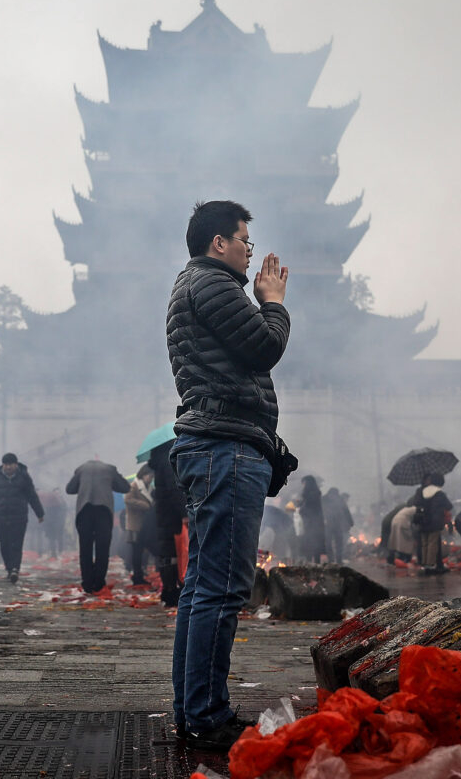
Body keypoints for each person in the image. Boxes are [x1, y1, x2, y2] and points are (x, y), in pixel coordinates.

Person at [166, 199, 290, 751]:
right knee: (221, 589)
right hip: (226, 447)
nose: (249, 250)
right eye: (243, 239)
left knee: (202, 589)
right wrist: (274, 303)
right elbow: (265, 348)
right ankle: (207, 715)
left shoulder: (197, 285)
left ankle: (194, 710)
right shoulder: (214, 286)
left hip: (215, 446)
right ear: (219, 242)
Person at [66, 458, 131, 593]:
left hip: (84, 511)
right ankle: (99, 582)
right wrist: (110, 483)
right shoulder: (110, 469)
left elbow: (70, 489)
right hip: (103, 511)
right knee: (103, 549)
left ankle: (87, 583)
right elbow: (125, 487)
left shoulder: (81, 469)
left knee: (85, 549)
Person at [0, 453, 45, 583]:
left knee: (16, 544)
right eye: (5, 464)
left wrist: (39, 513)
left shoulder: (24, 478)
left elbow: (32, 496)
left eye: (10, 464)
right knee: (4, 545)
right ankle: (9, 568)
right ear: (3, 465)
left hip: (19, 517)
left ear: (16, 465)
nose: (8, 467)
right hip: (0, 517)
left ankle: (15, 569)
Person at [149, 441, 188, 607]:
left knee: (167, 554)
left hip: (164, 515)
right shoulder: (168, 462)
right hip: (173, 516)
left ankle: (168, 590)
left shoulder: (159, 461)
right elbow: (175, 489)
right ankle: (172, 592)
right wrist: (184, 513)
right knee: (173, 554)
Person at [123, 465, 156, 585]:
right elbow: (128, 500)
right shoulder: (135, 486)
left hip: (146, 524)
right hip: (135, 523)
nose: (151, 479)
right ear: (144, 474)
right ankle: (137, 575)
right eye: (150, 476)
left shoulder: (150, 487)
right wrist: (144, 505)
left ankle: (140, 572)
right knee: (137, 550)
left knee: (143, 550)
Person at [415, 473, 453, 573]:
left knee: (424, 543)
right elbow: (449, 506)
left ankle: (424, 564)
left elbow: (416, 503)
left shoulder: (422, 491)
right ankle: (431, 565)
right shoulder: (439, 493)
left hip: (423, 521)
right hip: (434, 522)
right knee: (432, 543)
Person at [295, 476, 326, 563]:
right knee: (314, 542)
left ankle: (311, 562)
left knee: (311, 541)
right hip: (314, 521)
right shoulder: (314, 493)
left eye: (304, 483)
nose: (303, 485)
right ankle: (314, 562)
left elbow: (309, 507)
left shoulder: (312, 493)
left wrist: (300, 508)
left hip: (312, 522)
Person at [322, 487, 355, 564]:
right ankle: (339, 559)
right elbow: (346, 511)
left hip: (328, 524)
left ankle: (331, 559)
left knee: (328, 542)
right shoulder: (340, 499)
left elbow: (319, 511)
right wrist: (351, 522)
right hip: (337, 524)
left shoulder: (323, 499)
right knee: (339, 543)